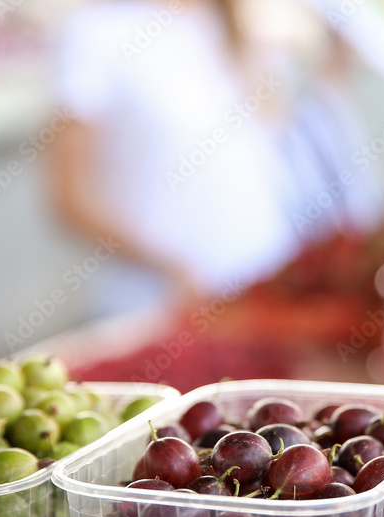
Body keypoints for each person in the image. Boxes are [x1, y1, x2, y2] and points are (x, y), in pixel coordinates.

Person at [50, 0, 304, 317]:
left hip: (266, 296)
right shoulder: (95, 34)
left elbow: (269, 151)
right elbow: (71, 198)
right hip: (154, 310)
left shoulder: (243, 28)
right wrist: (171, 269)